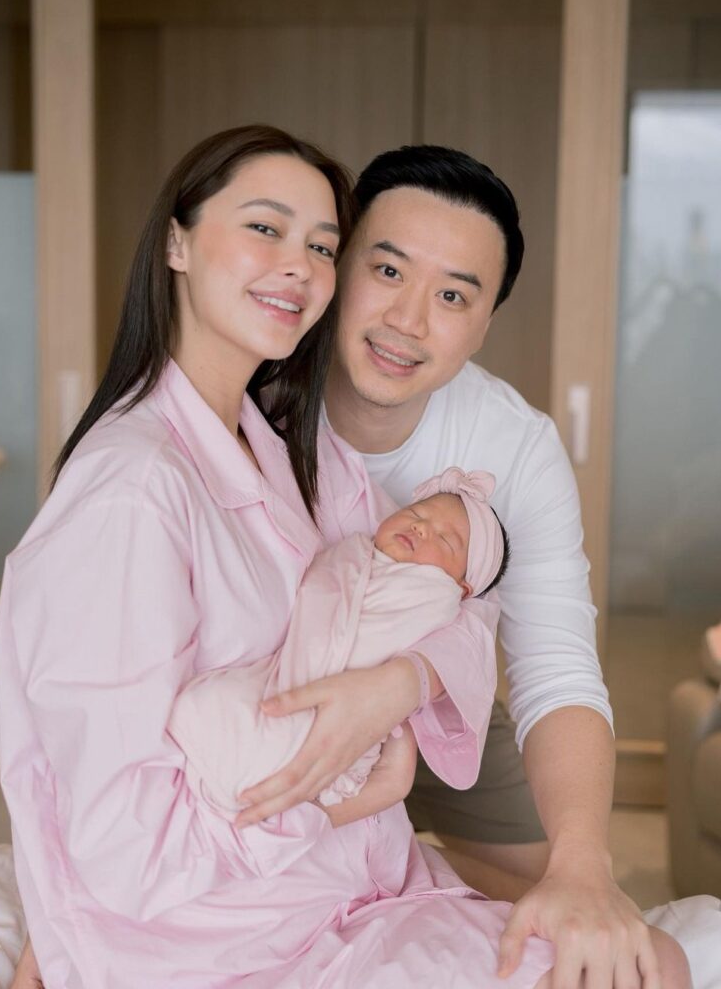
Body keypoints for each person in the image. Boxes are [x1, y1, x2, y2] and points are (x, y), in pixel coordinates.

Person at [0, 124, 562, 988]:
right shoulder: (131, 493)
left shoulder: (290, 448)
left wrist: (402, 683)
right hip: (229, 935)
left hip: (343, 888)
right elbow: (127, 847)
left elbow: (459, 592)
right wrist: (348, 800)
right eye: (265, 228)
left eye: (321, 246)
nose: (297, 266)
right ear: (177, 242)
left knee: (634, 956)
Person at [229, 144, 690, 987]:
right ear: (336, 268)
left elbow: (557, 668)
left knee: (587, 930)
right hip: (267, 701)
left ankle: (415, 870)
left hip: (441, 711)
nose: (408, 319)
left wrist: (583, 864)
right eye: (387, 270)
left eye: (451, 296)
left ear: (482, 327)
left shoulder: (514, 446)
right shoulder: (247, 393)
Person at [169, 467, 509, 821]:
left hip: (342, 701)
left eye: (445, 540)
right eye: (416, 513)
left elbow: (464, 644)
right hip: (285, 671)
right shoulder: (356, 549)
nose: (421, 528)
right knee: (209, 703)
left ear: (462, 589)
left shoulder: (435, 597)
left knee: (248, 727)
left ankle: (248, 779)